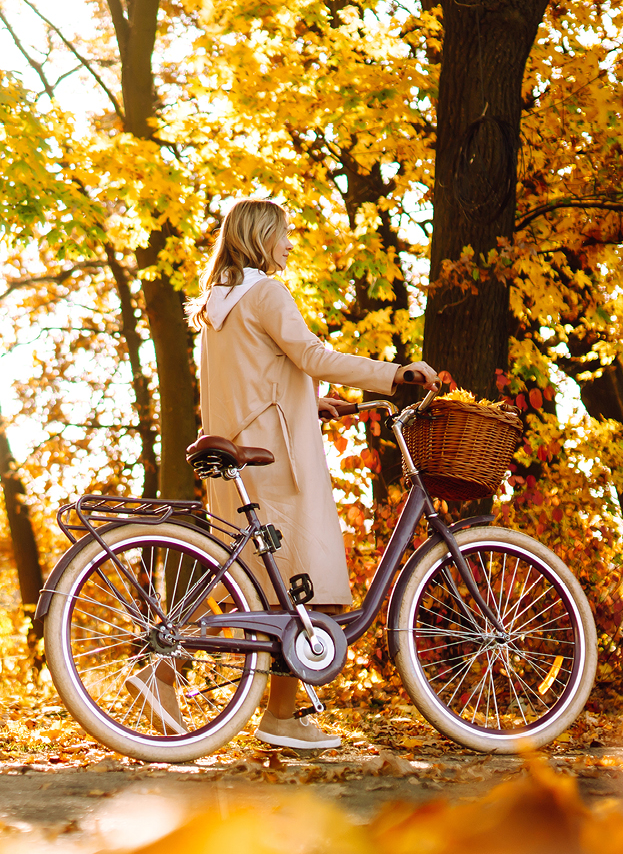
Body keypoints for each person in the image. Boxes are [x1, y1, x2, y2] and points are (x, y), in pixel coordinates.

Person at [184, 197, 435, 751]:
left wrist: (309, 403)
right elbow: (312, 355)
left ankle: (270, 712)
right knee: (309, 589)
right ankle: (273, 714)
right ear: (260, 237)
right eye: (284, 234)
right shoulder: (266, 292)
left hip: (237, 459)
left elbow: (256, 374)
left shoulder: (215, 303)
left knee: (267, 597)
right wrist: (396, 373)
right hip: (277, 461)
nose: (290, 244)